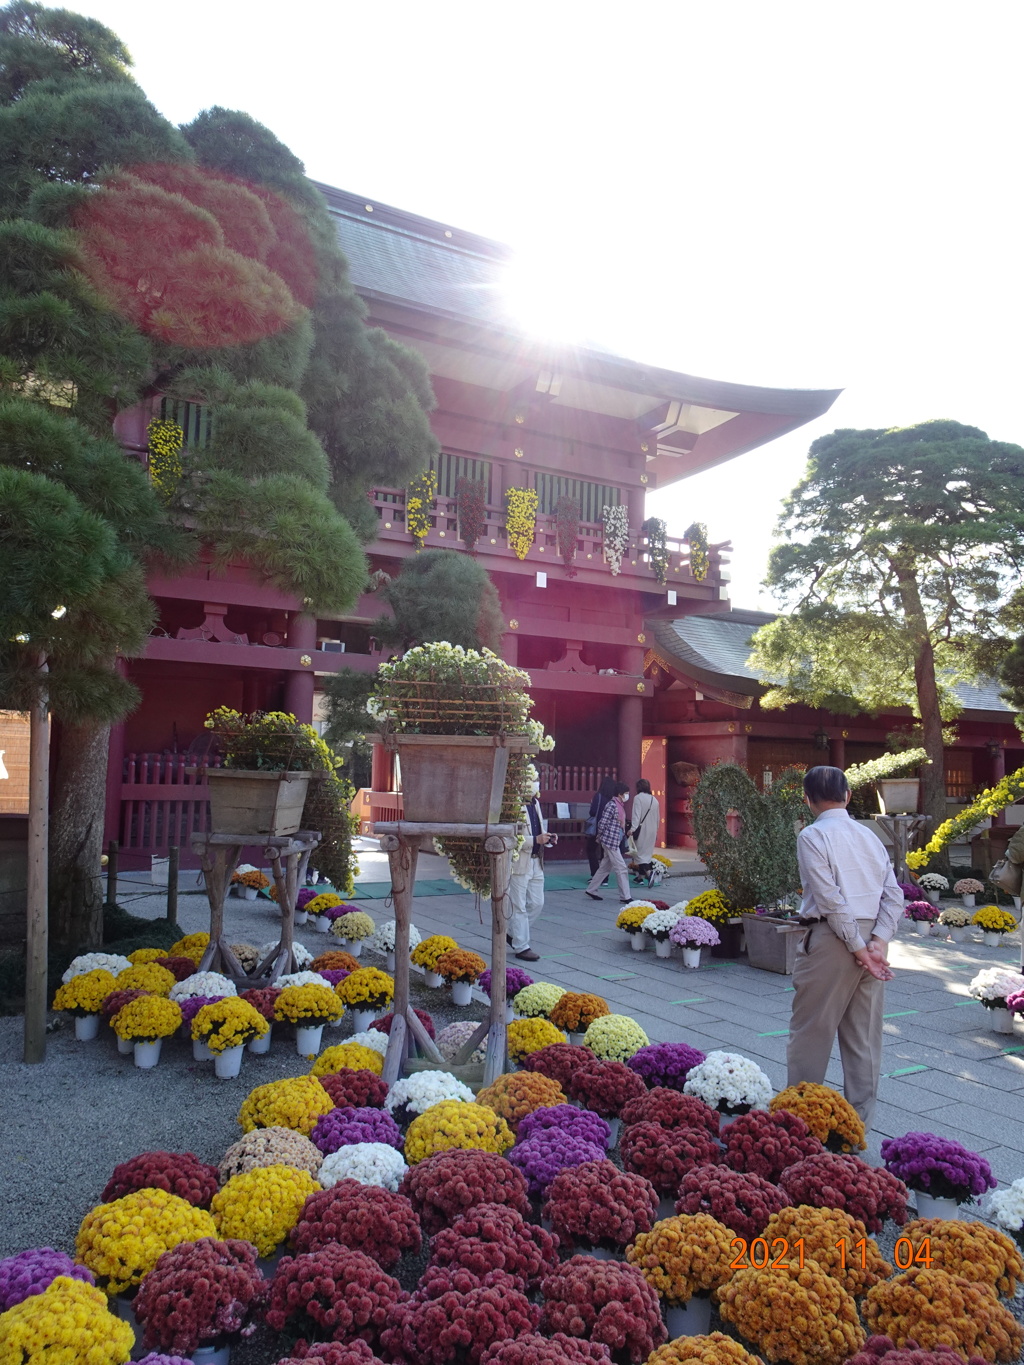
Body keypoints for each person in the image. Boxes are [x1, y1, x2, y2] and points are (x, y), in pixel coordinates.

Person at [786, 764, 901, 1130]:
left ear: (808, 800)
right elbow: (894, 895)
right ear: (848, 795)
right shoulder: (869, 836)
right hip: (870, 937)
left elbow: (830, 899)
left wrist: (857, 947)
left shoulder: (813, 836)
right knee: (864, 1037)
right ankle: (858, 1124)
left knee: (812, 1031)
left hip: (834, 938)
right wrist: (878, 941)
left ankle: (801, 1120)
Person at [508, 783, 554, 962]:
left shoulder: (535, 803)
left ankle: (512, 933)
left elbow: (539, 830)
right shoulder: (514, 805)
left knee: (537, 902)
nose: (537, 786)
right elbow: (511, 836)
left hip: (537, 859)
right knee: (518, 904)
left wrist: (547, 838)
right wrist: (534, 839)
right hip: (520, 861)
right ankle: (521, 945)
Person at [585, 781, 632, 902]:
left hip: (613, 840)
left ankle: (591, 889)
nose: (627, 795)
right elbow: (602, 823)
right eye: (626, 793)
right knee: (621, 868)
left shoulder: (619, 805)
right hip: (610, 840)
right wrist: (599, 836)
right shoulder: (612, 805)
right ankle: (625, 896)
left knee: (604, 868)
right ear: (620, 794)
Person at [629, 778, 661, 884]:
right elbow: (658, 818)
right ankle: (640, 877)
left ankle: (649, 873)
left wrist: (632, 829)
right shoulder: (655, 800)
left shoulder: (638, 798)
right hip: (652, 829)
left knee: (638, 853)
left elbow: (636, 815)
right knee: (646, 854)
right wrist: (656, 830)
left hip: (642, 829)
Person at [586, 776, 618, 876]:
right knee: (605, 854)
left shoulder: (598, 796)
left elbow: (593, 811)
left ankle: (595, 874)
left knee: (591, 850)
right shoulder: (614, 799)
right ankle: (605, 877)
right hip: (610, 829)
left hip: (597, 828)